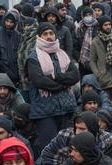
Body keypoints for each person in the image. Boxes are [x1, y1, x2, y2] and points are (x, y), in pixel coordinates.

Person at [26, 22, 80, 155]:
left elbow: (75, 76)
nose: (49, 36)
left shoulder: (63, 55)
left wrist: (56, 78)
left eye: (51, 33)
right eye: (45, 34)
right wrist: (63, 84)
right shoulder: (33, 58)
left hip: (66, 109)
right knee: (50, 149)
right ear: (39, 37)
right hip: (45, 113)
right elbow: (40, 81)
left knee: (68, 148)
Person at [39, 111, 112, 165]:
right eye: (76, 127)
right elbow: (48, 155)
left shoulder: (107, 140)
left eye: (82, 129)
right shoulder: (65, 137)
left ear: (92, 129)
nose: (77, 132)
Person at [89, 15, 112, 96]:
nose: (108, 27)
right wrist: (98, 74)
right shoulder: (95, 41)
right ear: (101, 26)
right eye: (105, 25)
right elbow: (92, 60)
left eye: (109, 24)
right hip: (104, 79)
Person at [0, 10, 21, 85]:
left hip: (15, 72)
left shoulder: (18, 35)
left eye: (11, 22)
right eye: (7, 21)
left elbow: (18, 54)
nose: (8, 24)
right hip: (1, 72)